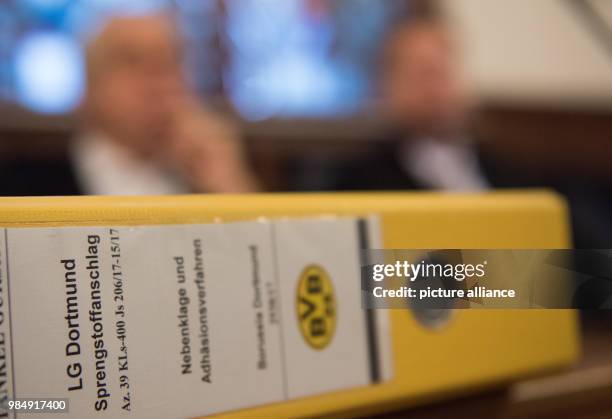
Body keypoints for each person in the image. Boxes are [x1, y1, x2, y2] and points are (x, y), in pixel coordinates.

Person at [0, 13, 259, 196]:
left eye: (172, 62)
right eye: (133, 62)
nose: (159, 82)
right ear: (90, 84)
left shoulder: (206, 173)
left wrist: (229, 184)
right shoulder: (25, 185)